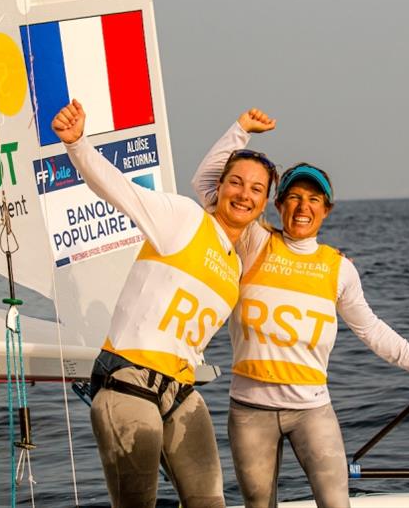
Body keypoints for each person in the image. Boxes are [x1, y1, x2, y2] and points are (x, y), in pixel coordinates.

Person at [192, 109, 409, 508]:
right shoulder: (252, 241)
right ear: (279, 204)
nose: (303, 207)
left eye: (314, 200)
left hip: (311, 411)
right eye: (294, 198)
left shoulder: (339, 268)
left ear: (326, 210)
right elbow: (206, 184)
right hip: (250, 411)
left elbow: (372, 330)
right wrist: (240, 132)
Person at [51, 100, 279, 508]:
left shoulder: (236, 264)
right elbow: (120, 189)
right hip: (129, 383)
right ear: (220, 187)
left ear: (263, 206)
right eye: (236, 182)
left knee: (210, 503)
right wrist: (78, 145)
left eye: (256, 190)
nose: (244, 194)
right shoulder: (183, 218)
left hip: (180, 392)